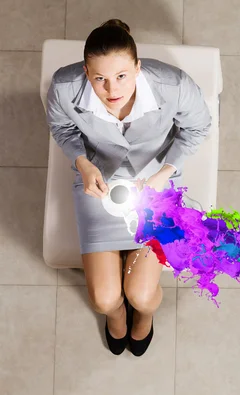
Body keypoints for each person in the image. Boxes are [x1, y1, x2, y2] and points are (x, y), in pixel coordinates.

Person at [45, 19, 212, 356]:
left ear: (137, 67)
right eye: (99, 79)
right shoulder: (64, 87)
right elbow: (62, 129)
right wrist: (82, 162)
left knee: (141, 294)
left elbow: (198, 127)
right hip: (99, 184)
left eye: (121, 76)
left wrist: (164, 173)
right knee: (104, 299)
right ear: (85, 71)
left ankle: (144, 315)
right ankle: (117, 315)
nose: (112, 90)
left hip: (155, 184)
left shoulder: (173, 85)